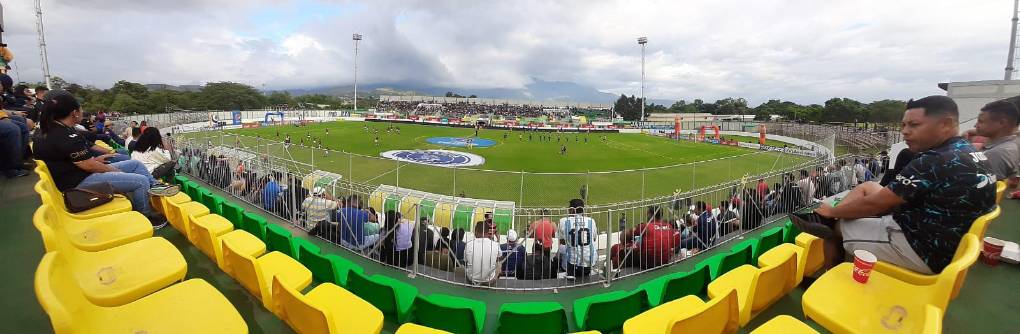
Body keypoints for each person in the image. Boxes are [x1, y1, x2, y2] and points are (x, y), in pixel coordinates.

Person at [792, 96, 997, 275]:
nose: (905, 132)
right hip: (944, 235)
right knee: (869, 187)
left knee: (837, 227)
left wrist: (832, 211)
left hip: (924, 249)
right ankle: (826, 222)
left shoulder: (934, 159)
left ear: (945, 124)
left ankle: (829, 270)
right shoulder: (965, 150)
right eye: (904, 125)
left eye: (914, 125)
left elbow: (879, 205)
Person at [32, 90, 177, 229]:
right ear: (74, 113)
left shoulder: (54, 129)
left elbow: (80, 161)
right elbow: (89, 166)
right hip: (77, 183)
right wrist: (115, 170)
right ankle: (146, 217)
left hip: (77, 174)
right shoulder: (65, 135)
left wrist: (98, 159)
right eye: (81, 108)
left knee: (135, 164)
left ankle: (155, 186)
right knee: (141, 181)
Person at [967, 99, 1019, 180]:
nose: (975, 125)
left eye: (980, 121)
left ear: (1001, 123)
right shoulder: (1011, 143)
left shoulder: (996, 154)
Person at [611, 206, 677, 270]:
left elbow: (626, 234)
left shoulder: (646, 226)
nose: (647, 216)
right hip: (665, 260)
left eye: (648, 213)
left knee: (617, 250)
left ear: (651, 215)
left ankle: (613, 275)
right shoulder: (669, 226)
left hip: (648, 262)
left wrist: (623, 245)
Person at [557, 198, 598, 278]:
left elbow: (562, 242)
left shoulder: (563, 221)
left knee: (564, 252)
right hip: (589, 261)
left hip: (572, 262)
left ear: (572, 210)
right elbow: (594, 239)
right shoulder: (591, 221)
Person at [463, 220, 504, 284]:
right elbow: (500, 258)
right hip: (489, 280)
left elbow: (465, 261)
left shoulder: (469, 244)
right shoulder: (495, 245)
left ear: (475, 232)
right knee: (499, 263)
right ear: (488, 232)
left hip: (471, 279)